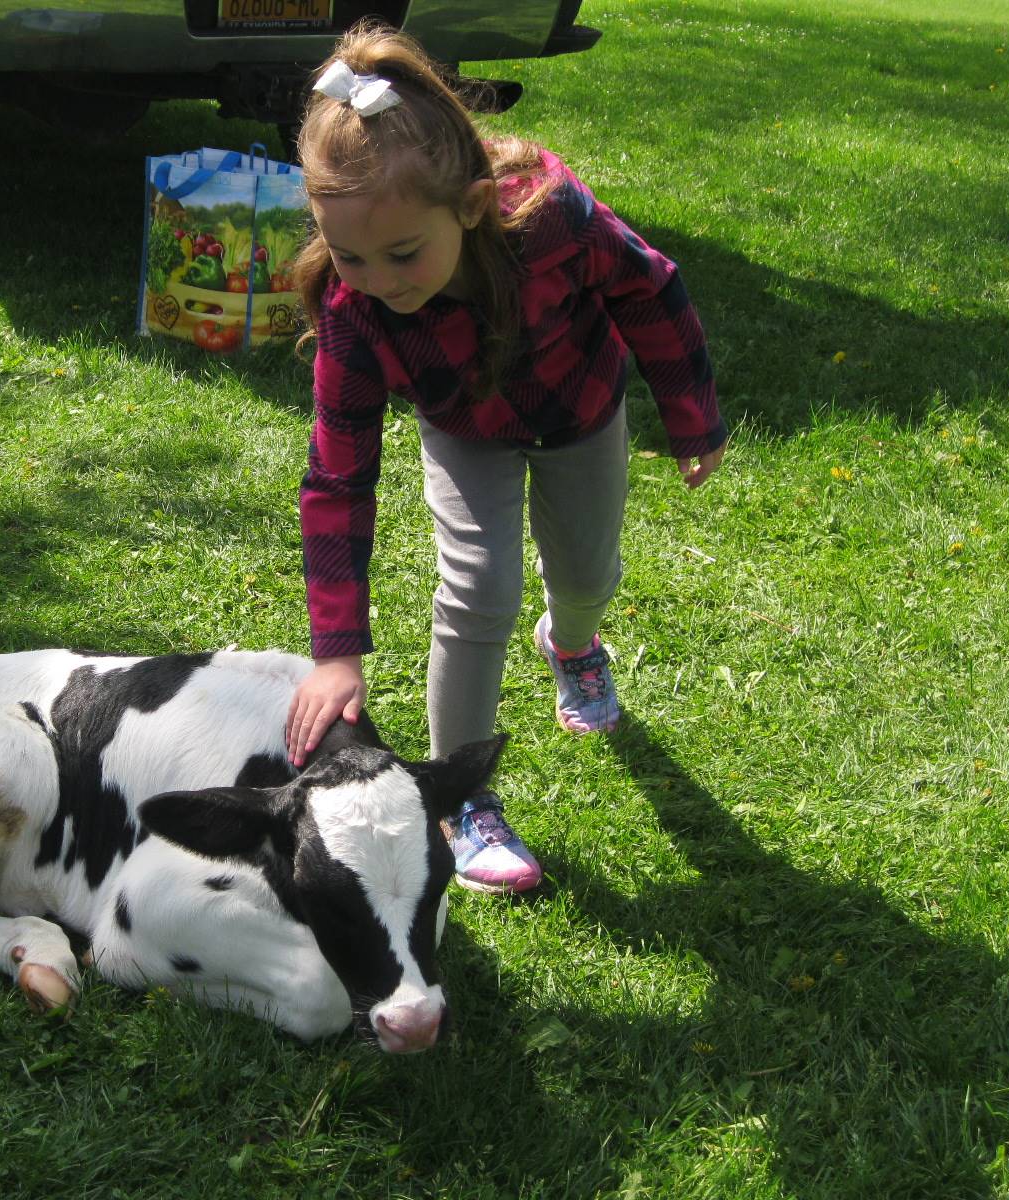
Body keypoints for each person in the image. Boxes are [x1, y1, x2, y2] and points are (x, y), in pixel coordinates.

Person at [282, 21, 727, 894]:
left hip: (581, 413)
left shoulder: (551, 218)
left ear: (473, 206)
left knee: (587, 570)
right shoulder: (355, 312)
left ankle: (572, 644)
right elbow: (337, 480)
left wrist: (692, 417)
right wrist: (337, 648)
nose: (378, 276)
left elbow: (651, 287)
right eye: (349, 253)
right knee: (479, 585)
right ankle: (461, 799)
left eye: (404, 251)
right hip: (465, 430)